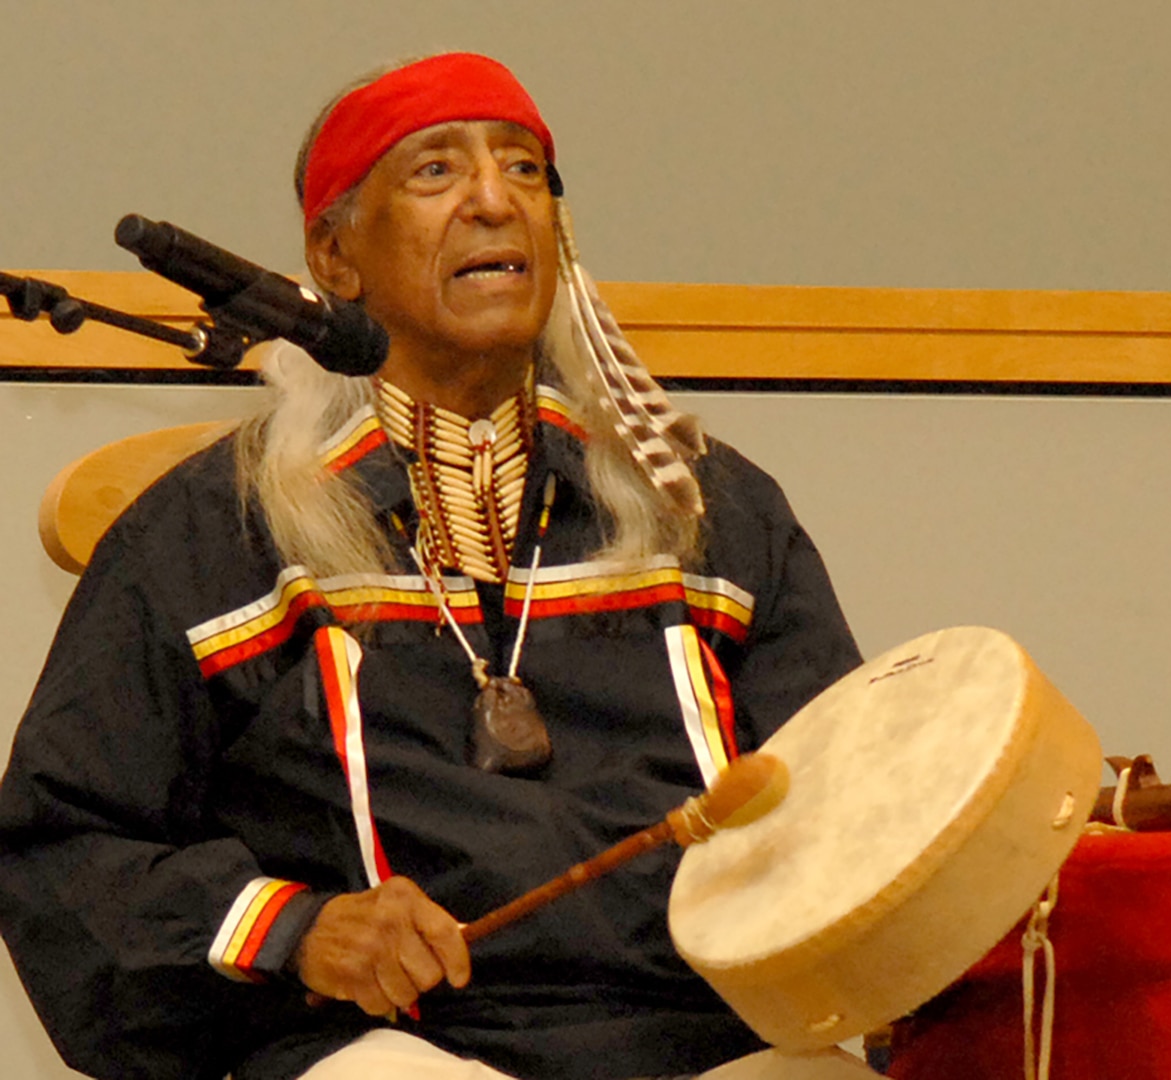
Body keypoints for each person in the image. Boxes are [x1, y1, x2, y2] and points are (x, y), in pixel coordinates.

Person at [0, 53, 860, 1080]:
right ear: (336, 255)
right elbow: (66, 848)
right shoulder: (209, 533)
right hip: (386, 1047)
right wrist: (297, 929)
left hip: (704, 1039)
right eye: (436, 173)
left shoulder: (705, 507)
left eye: (526, 172)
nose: (495, 202)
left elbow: (842, 791)